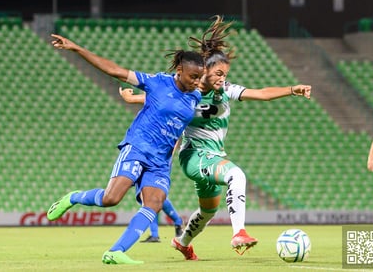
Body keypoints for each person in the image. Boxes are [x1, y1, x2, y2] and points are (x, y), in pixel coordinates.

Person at [119, 15, 312, 260]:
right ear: (205, 71)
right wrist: (133, 98)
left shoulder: (226, 90)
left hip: (213, 155)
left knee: (208, 210)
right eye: (218, 73)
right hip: (194, 155)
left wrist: (292, 89)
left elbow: (261, 93)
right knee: (236, 174)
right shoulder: (189, 93)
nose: (222, 77)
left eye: (225, 73)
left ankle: (182, 242)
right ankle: (239, 232)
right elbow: (161, 100)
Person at [46, 34, 205, 265]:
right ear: (179, 70)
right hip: (138, 148)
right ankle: (74, 197)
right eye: (193, 76)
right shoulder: (156, 82)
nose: (196, 81)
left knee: (155, 203)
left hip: (161, 162)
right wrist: (76, 48)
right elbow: (115, 71)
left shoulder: (195, 95)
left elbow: (171, 110)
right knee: (111, 198)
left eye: (199, 77)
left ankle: (115, 252)